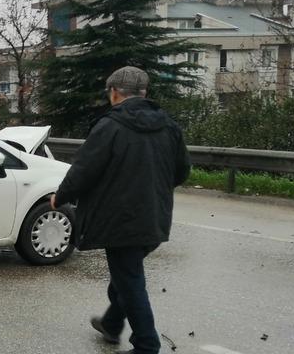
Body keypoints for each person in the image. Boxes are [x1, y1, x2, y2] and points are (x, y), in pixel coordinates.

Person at [50, 66, 190, 354]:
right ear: (144, 93)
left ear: (114, 93)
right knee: (127, 276)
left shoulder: (109, 126)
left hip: (120, 220)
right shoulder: (170, 127)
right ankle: (112, 324)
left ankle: (147, 345)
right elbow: (182, 172)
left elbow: (84, 171)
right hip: (155, 219)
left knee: (129, 280)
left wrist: (60, 197)